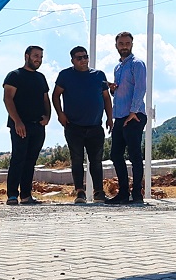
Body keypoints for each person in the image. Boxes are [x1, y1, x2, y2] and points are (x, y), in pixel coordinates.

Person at [52, 46, 112, 204]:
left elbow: (106, 98)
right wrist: (60, 114)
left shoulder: (99, 75)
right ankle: (80, 192)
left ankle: (99, 192)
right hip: (73, 126)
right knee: (77, 160)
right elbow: (55, 95)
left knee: (96, 161)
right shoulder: (65, 75)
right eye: (79, 58)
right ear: (72, 60)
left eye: (85, 57)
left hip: (95, 126)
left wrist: (110, 118)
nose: (83, 60)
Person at [1, 45, 51, 206]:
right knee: (18, 159)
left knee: (31, 161)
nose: (38, 59)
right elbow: (8, 99)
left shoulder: (40, 77)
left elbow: (45, 99)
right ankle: (12, 195)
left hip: (38, 126)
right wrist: (17, 121)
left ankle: (26, 195)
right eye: (36, 55)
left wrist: (48, 116)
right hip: (20, 126)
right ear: (27, 56)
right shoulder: (14, 76)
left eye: (41, 57)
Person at [109, 31, 147, 205]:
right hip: (120, 115)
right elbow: (124, 89)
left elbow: (140, 88)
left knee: (134, 155)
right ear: (116, 45)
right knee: (115, 154)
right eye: (121, 43)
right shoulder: (118, 67)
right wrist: (113, 89)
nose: (124, 46)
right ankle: (123, 192)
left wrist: (133, 111)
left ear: (132, 44)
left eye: (127, 43)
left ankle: (137, 193)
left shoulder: (137, 64)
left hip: (134, 115)